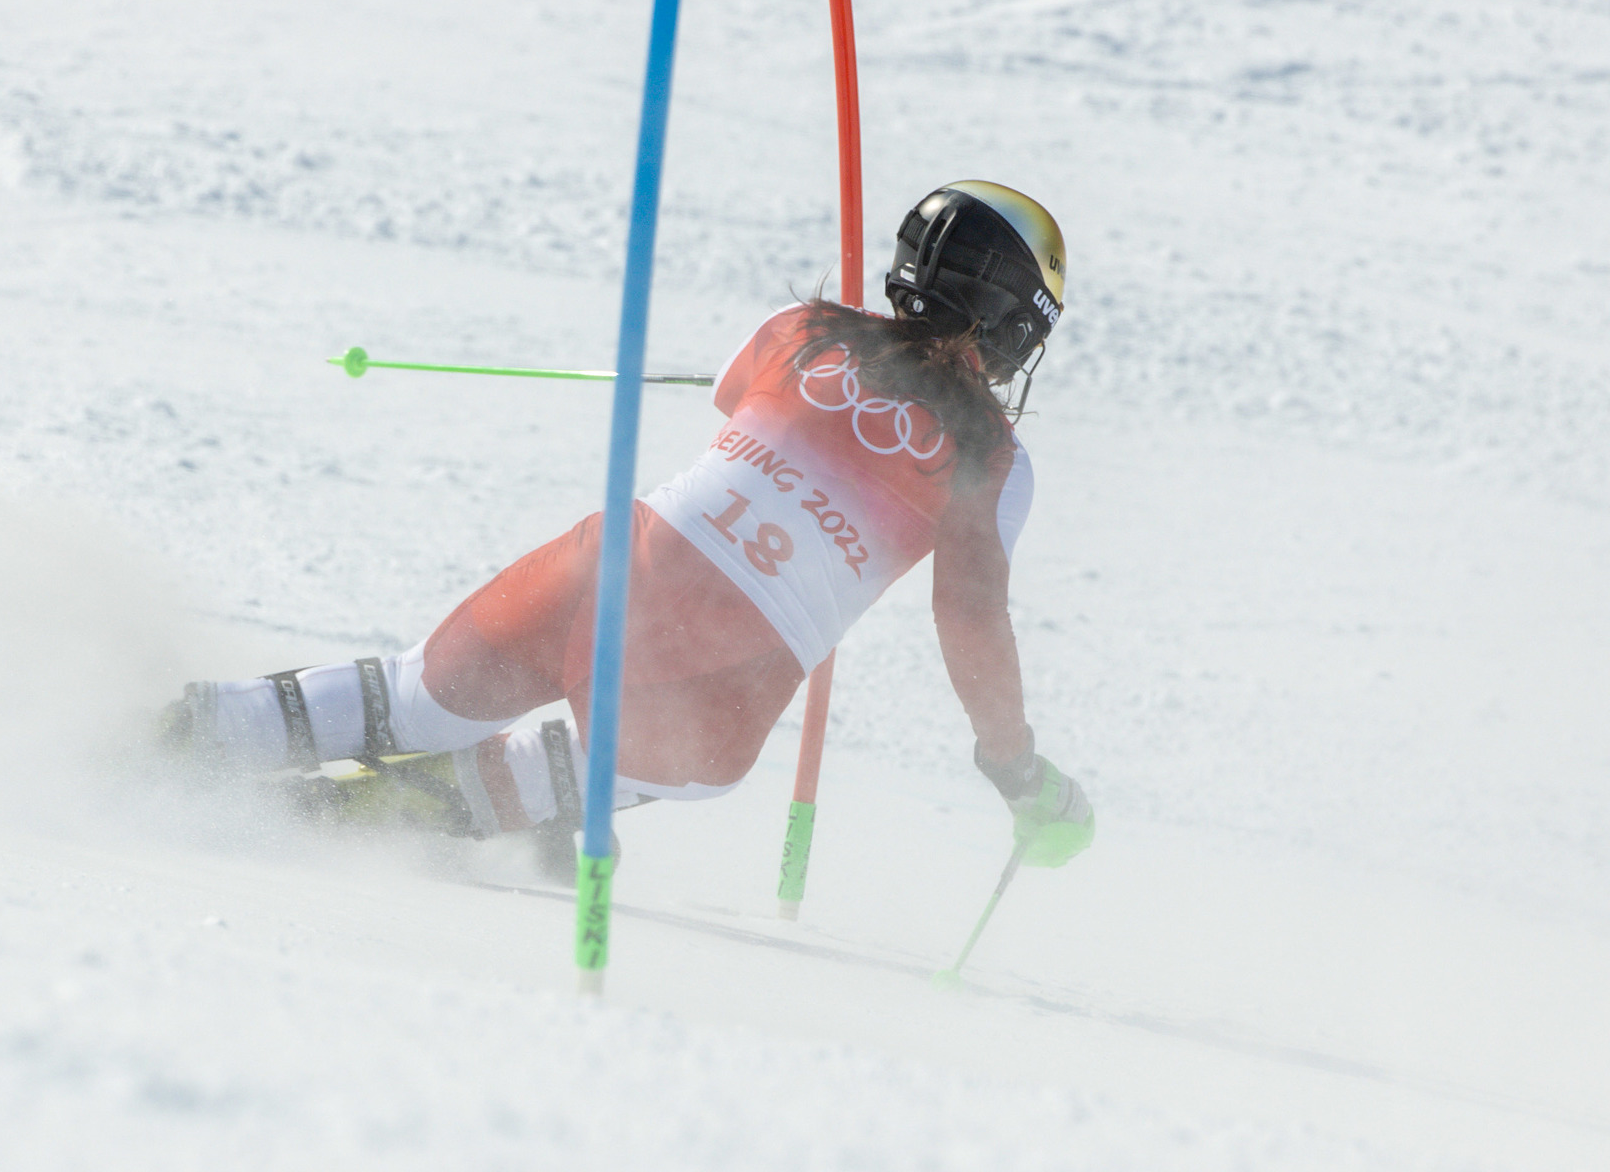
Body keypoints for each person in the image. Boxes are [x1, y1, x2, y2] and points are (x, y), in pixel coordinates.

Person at [161, 180, 1094, 875]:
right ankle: (471, 803)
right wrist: (1009, 761)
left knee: (412, 697)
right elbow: (970, 620)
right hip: (721, 672)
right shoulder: (995, 462)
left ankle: (170, 742)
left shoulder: (802, 327)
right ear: (1017, 323)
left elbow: (735, 392)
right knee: (678, 766)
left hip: (605, 571)